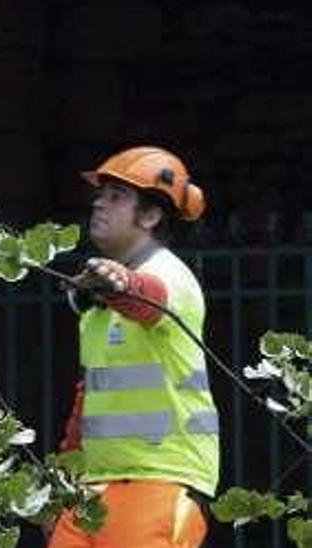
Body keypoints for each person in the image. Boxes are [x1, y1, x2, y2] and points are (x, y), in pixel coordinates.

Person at [50, 146, 219, 548]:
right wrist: (64, 481)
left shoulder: (170, 275)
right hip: (93, 489)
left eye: (116, 196)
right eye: (100, 194)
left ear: (150, 215)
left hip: (159, 480)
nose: (98, 204)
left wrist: (120, 282)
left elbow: (148, 297)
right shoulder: (96, 307)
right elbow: (89, 396)